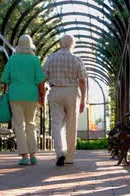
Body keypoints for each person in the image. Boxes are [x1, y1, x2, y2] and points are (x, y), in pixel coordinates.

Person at [42, 34, 87, 166]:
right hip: (72, 92)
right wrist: (83, 99)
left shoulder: (51, 58)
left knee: (56, 124)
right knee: (71, 125)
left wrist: (42, 95)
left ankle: (59, 153)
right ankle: (69, 157)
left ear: (61, 43)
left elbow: (42, 78)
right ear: (73, 45)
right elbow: (83, 82)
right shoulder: (76, 59)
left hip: (55, 90)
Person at [1, 35, 45, 165]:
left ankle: (24, 157)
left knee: (19, 126)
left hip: (15, 96)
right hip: (32, 96)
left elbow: (4, 78)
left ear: (18, 46)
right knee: (30, 124)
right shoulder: (35, 60)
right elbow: (40, 80)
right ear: (31, 46)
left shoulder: (12, 59)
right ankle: (33, 155)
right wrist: (41, 97)